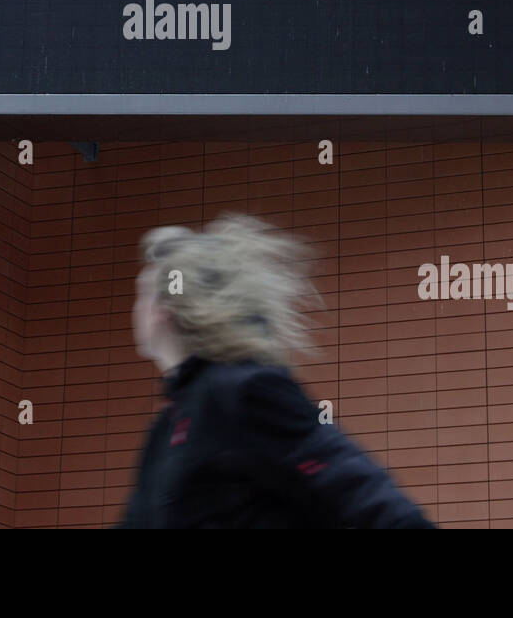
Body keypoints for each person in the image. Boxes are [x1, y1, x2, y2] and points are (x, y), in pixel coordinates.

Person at [117, 213, 435, 528]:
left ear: (164, 311)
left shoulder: (243, 391)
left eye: (141, 296)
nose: (135, 310)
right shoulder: (165, 429)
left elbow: (359, 490)